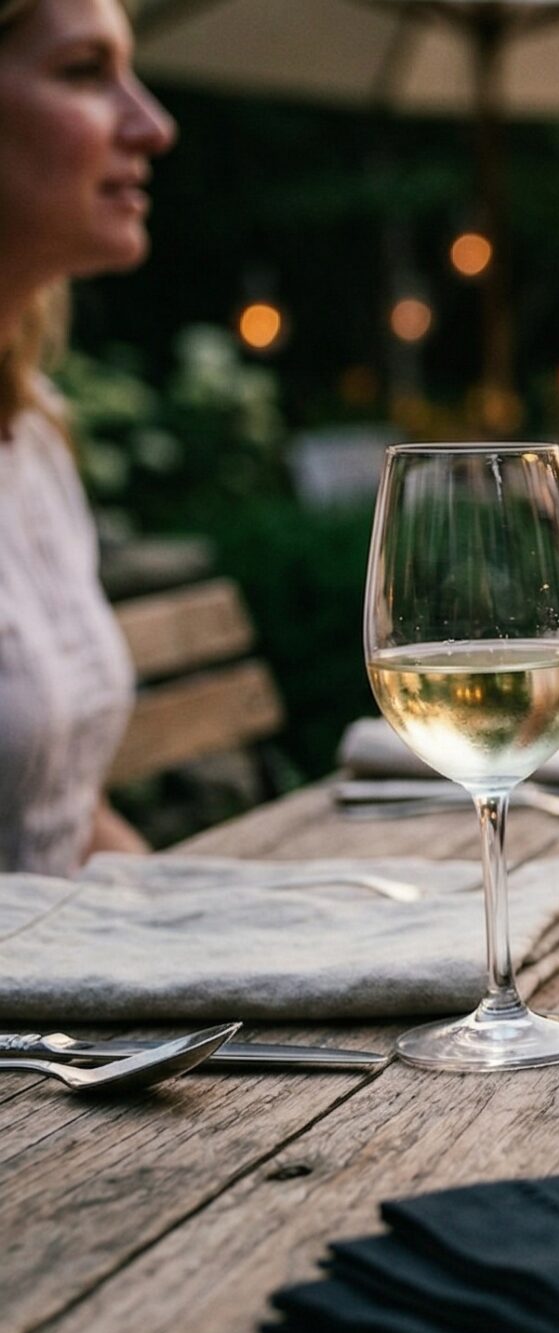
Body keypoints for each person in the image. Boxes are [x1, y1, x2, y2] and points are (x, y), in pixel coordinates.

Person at [0, 0, 175, 873]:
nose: (154, 125)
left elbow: (65, 818)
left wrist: (212, 939)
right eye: (83, 71)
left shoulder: (30, 433)